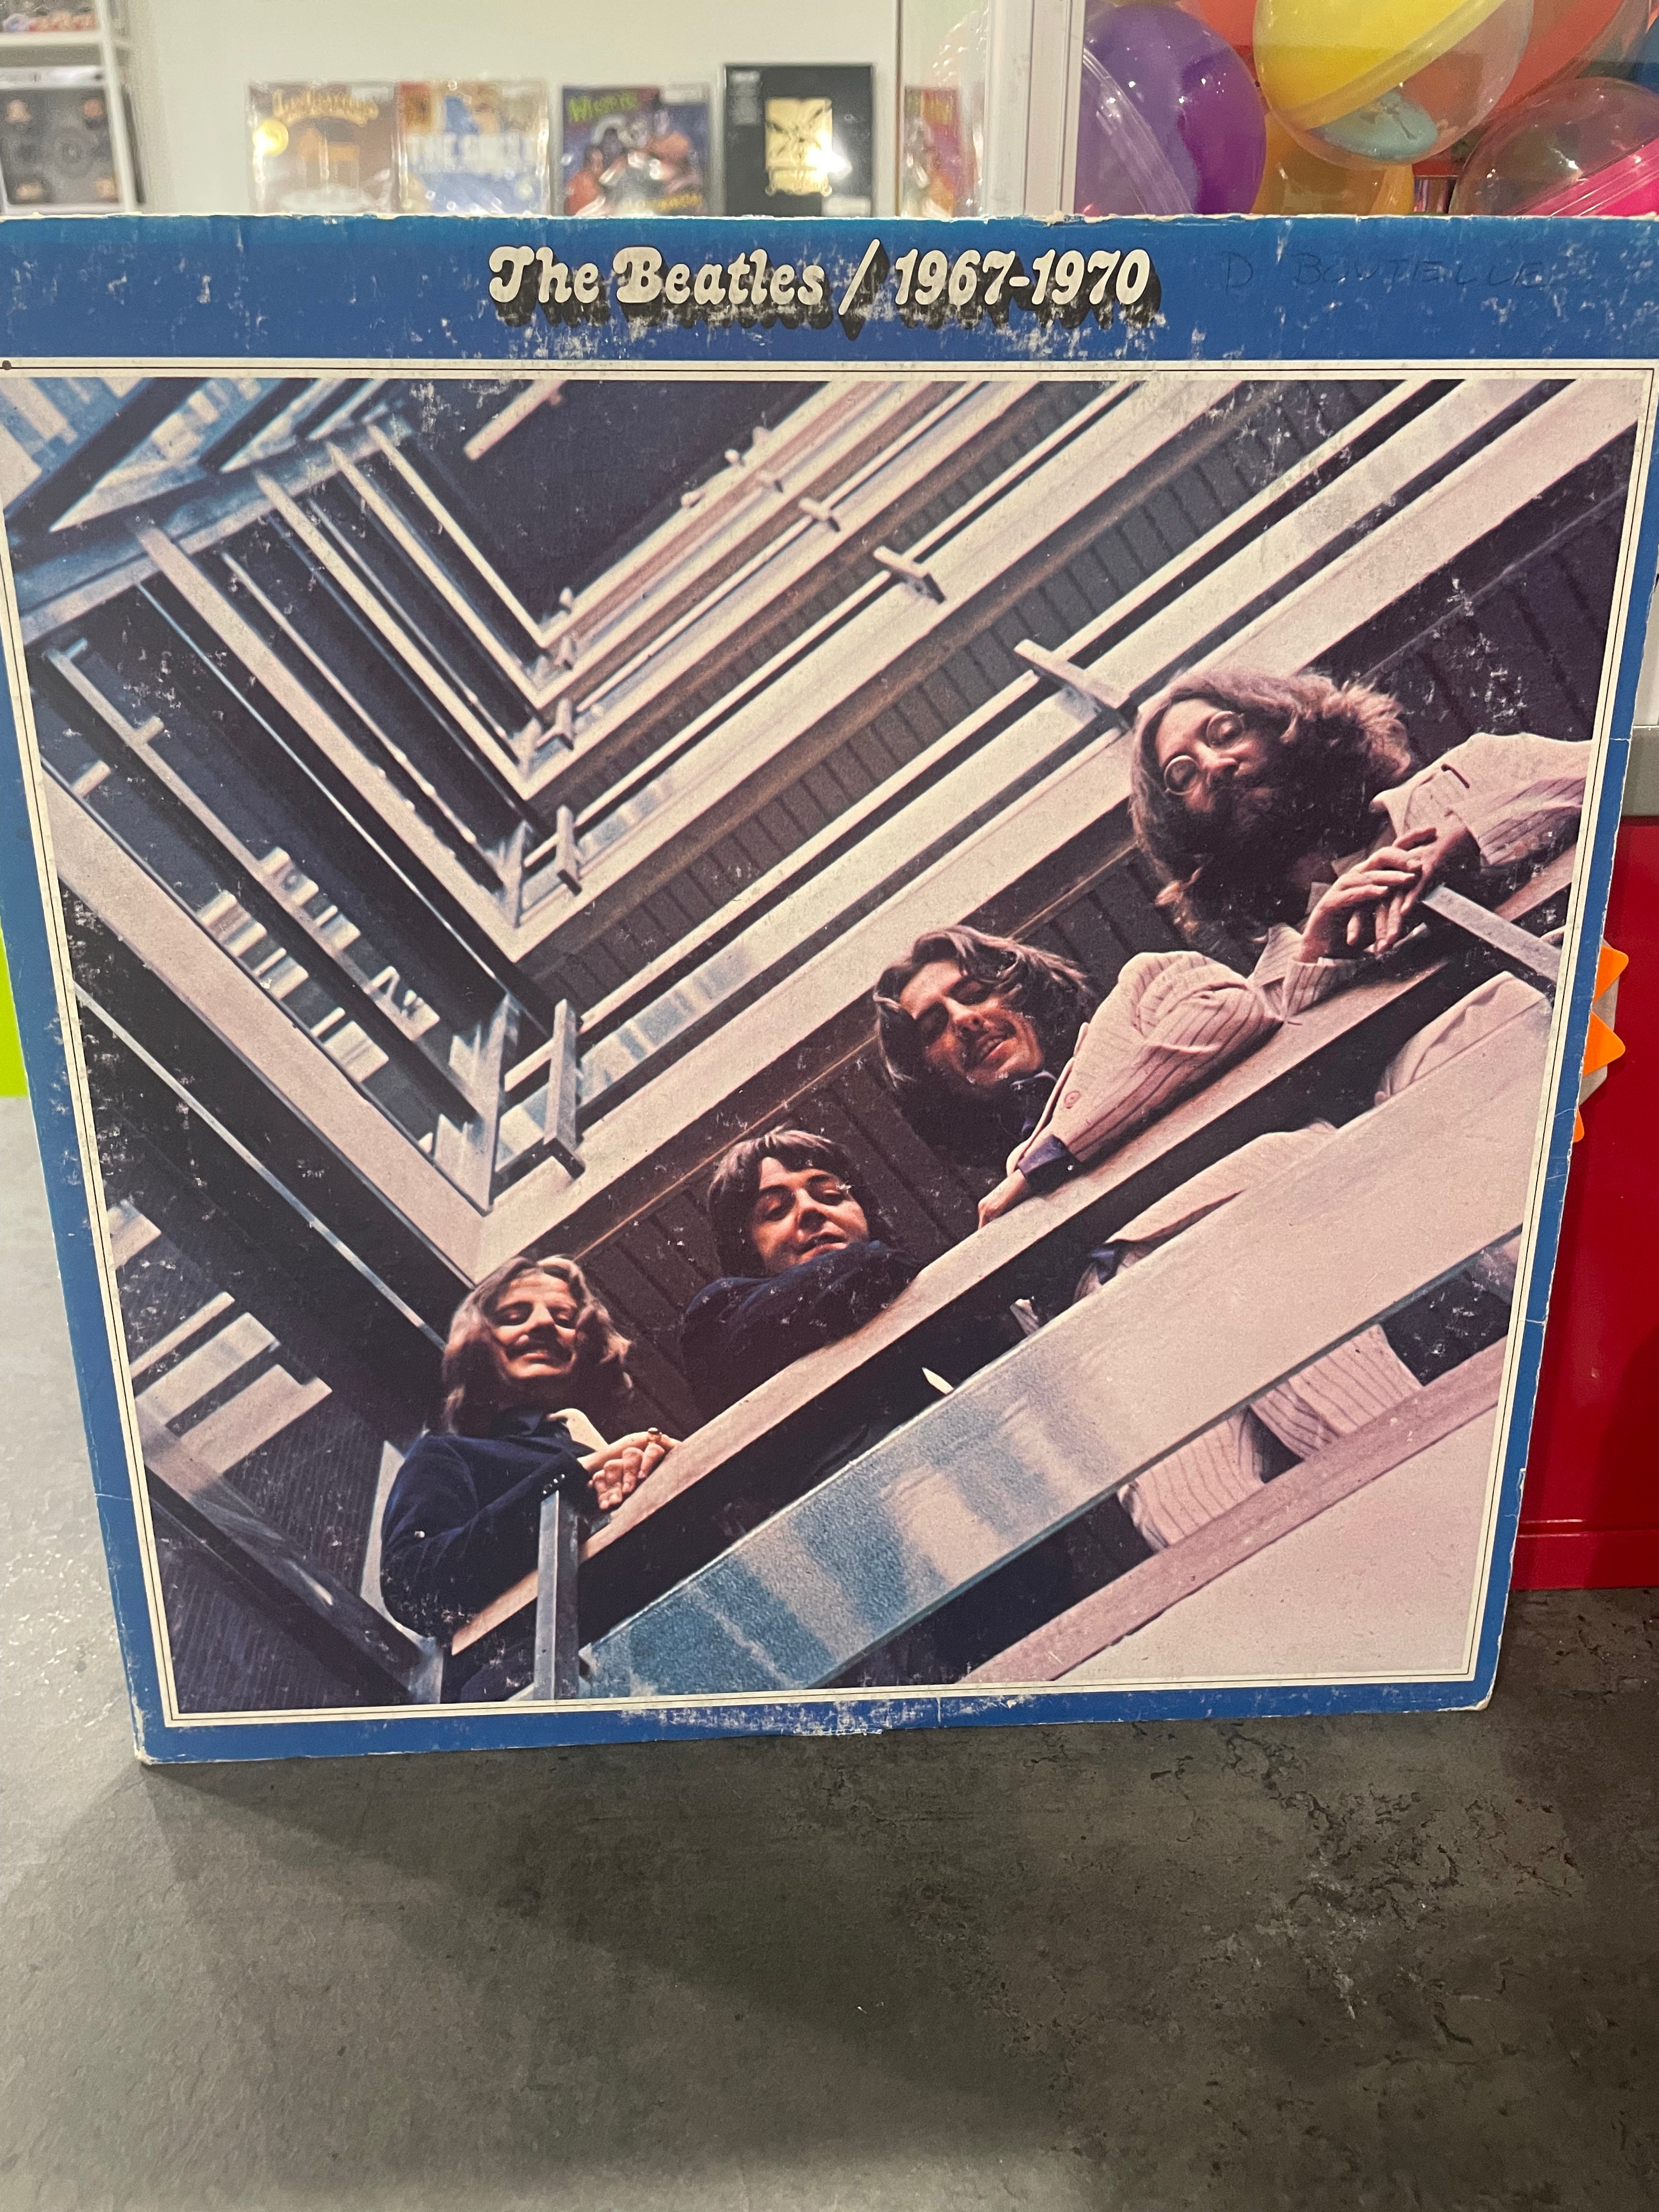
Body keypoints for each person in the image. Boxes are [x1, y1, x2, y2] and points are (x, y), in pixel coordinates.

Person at [379, 1254, 673, 1700]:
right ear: (480, 1343)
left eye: (564, 1318)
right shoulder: (447, 1454)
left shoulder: (609, 1447)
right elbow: (412, 1586)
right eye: (515, 1316)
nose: (542, 1325)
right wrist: (569, 1483)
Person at [874, 923, 1279, 1222]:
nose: (963, 1019)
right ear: (933, 1077)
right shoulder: (1011, 1192)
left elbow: (1232, 1011)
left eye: (976, 995)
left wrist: (1052, 1154)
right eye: (934, 1028)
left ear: (1022, 991)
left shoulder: (1142, 991)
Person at [679, 1129, 921, 1421]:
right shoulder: (718, 1311)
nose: (809, 1209)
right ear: (746, 1249)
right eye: (775, 1211)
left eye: (831, 1196)